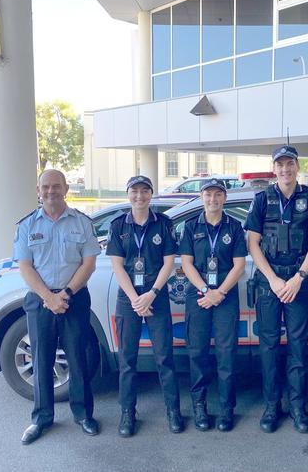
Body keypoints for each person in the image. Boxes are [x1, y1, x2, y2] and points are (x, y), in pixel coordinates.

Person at [244, 145, 308, 433]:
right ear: (274, 168)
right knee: (268, 347)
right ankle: (271, 407)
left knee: (298, 347)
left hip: (298, 283)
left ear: (297, 166)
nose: (285, 169)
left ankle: (297, 407)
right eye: (280, 165)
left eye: (289, 164)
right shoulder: (261, 200)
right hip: (270, 284)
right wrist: (273, 279)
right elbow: (252, 243)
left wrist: (298, 277)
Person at [14, 169, 101, 445]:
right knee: (42, 360)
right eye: (46, 187)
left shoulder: (82, 223)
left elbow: (89, 263)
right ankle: (41, 418)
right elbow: (25, 267)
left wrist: (65, 293)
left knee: (78, 358)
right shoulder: (27, 225)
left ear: (66, 189)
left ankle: (84, 414)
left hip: (74, 298)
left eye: (56, 186)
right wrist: (48, 297)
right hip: (40, 301)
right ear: (38, 191)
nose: (51, 191)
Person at [106, 175, 184, 437]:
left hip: (156, 295)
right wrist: (135, 299)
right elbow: (117, 265)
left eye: (144, 191)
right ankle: (127, 413)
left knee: (165, 357)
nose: (139, 196)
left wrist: (151, 293)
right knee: (127, 359)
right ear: (128, 194)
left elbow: (169, 262)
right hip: (128, 298)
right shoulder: (118, 225)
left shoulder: (163, 223)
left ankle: (173, 410)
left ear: (151, 194)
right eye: (134, 191)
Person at [179, 179, 247, 432]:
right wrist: (207, 291)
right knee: (197, 352)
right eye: (208, 194)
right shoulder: (190, 226)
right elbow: (186, 264)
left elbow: (239, 265)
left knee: (226, 354)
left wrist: (219, 292)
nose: (213, 199)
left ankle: (227, 409)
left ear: (225, 198)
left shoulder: (235, 227)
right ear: (201, 197)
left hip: (226, 296)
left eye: (218, 194)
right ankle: (199, 406)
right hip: (198, 296)